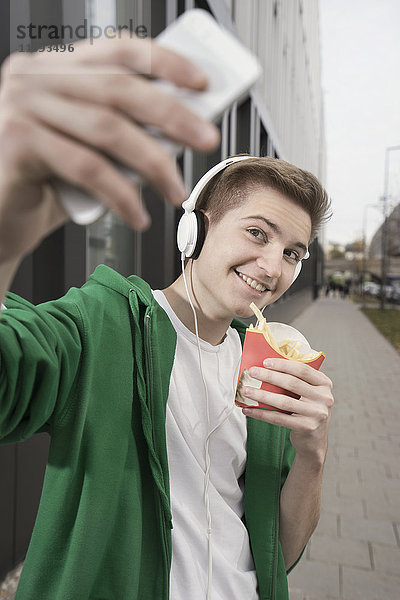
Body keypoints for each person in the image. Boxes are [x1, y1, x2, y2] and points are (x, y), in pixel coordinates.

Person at [0, 36, 334, 600]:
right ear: (194, 231)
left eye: (294, 252)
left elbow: (281, 553)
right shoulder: (104, 323)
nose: (273, 266)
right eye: (257, 233)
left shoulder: (269, 370)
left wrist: (312, 454)